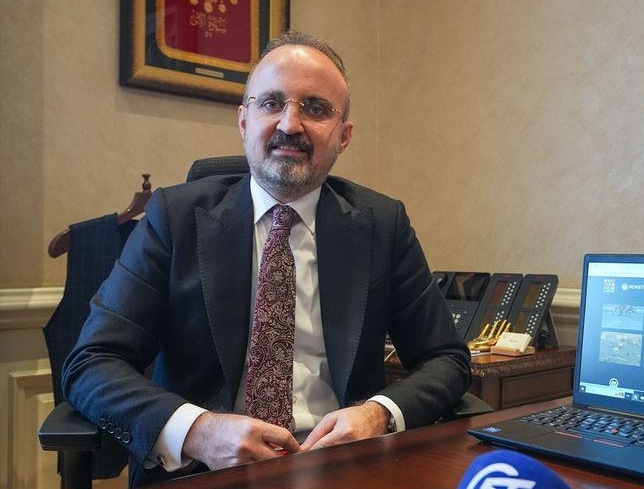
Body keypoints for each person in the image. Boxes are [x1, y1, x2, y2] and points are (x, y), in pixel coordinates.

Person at [62, 31, 471, 487]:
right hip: (203, 471)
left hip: (343, 470)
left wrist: (379, 414)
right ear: (244, 121)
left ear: (344, 136)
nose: (290, 124)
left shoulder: (382, 224)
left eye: (315, 108)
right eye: (272, 103)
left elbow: (446, 358)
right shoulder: (173, 219)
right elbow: (91, 362)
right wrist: (198, 431)